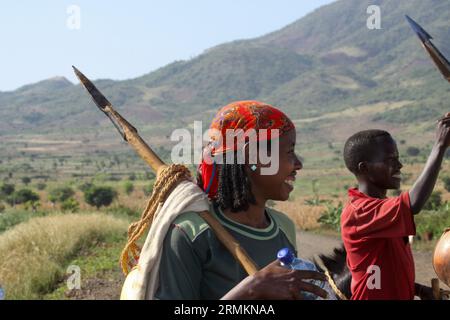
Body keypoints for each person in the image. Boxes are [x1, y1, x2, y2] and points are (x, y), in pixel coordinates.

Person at [154, 100, 328, 300]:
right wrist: (250, 290)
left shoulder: (283, 227)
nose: (298, 164)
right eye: (289, 152)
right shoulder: (193, 233)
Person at [341, 114, 450, 300]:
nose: (399, 165)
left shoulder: (382, 212)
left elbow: (379, 272)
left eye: (397, 158)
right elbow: (413, 203)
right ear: (364, 168)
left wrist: (419, 290)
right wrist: (440, 146)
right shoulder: (360, 212)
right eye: (390, 160)